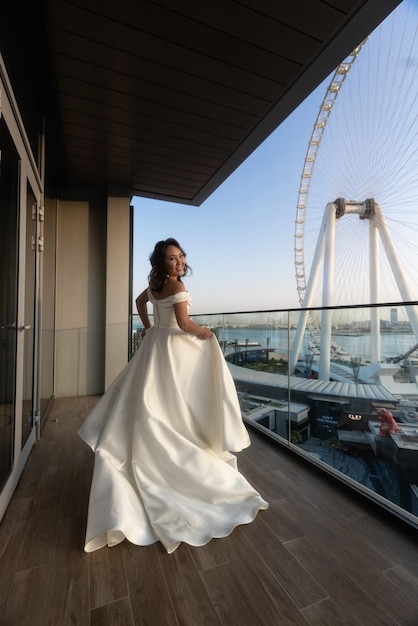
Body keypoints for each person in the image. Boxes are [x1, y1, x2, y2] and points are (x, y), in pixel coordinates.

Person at [78, 238, 268, 554]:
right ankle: (173, 454)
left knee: (150, 402)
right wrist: (207, 333)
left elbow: (140, 303)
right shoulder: (176, 286)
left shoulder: (154, 285)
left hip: (155, 346)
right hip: (173, 348)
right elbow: (184, 323)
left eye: (180, 256)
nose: (179, 262)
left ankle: (148, 448)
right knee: (173, 401)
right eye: (171, 258)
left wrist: (148, 327)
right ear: (161, 262)